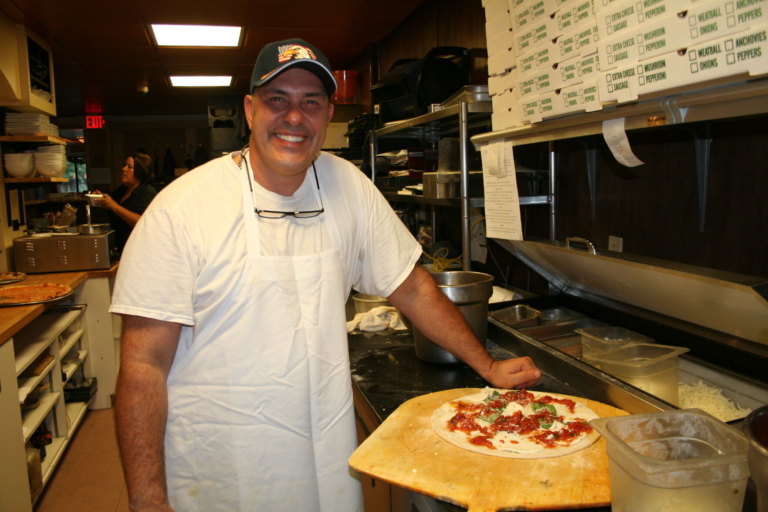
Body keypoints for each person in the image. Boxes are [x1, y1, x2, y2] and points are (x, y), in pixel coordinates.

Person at [111, 38, 542, 512]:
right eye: (278, 99)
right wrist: (147, 498)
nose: (295, 117)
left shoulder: (348, 186)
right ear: (250, 111)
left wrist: (488, 366)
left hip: (323, 456)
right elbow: (143, 364)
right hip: (221, 470)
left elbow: (412, 286)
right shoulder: (182, 210)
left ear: (328, 114)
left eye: (311, 102)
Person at [93, 152, 157, 253]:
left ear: (140, 171)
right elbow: (110, 202)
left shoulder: (147, 192)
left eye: (129, 167)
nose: (123, 169)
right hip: (121, 249)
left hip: (139, 251)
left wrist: (113, 206)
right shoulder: (122, 190)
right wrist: (100, 198)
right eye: (125, 165)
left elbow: (142, 222)